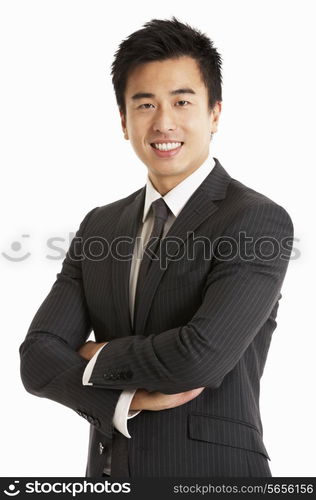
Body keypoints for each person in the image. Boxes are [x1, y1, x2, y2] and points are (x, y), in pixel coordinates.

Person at [19, 17, 294, 478]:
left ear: (215, 113)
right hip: (110, 477)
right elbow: (38, 356)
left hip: (214, 476)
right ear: (124, 122)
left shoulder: (254, 219)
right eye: (144, 105)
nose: (163, 122)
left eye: (182, 101)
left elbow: (200, 356)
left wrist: (93, 354)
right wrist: (122, 401)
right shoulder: (100, 226)